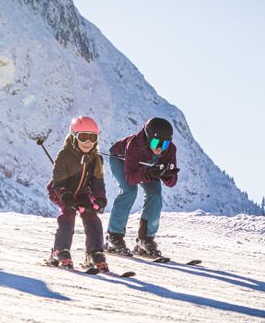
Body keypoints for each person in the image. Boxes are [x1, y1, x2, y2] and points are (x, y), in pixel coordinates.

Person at [106, 117, 179, 258]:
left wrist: (166, 175)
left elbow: (172, 183)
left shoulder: (170, 149)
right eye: (156, 142)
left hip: (147, 167)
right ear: (148, 137)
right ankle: (114, 237)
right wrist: (150, 173)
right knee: (129, 191)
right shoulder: (134, 145)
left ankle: (145, 240)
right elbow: (131, 178)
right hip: (121, 160)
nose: (159, 148)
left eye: (164, 144)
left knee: (155, 193)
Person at [46, 116, 109, 271]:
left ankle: (95, 252)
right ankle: (60, 251)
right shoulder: (65, 155)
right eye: (83, 137)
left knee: (91, 216)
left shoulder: (96, 159)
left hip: (81, 193)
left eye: (92, 138)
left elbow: (97, 182)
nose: (88, 142)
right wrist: (64, 195)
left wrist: (99, 198)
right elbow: (58, 180)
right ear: (74, 137)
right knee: (68, 213)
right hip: (60, 190)